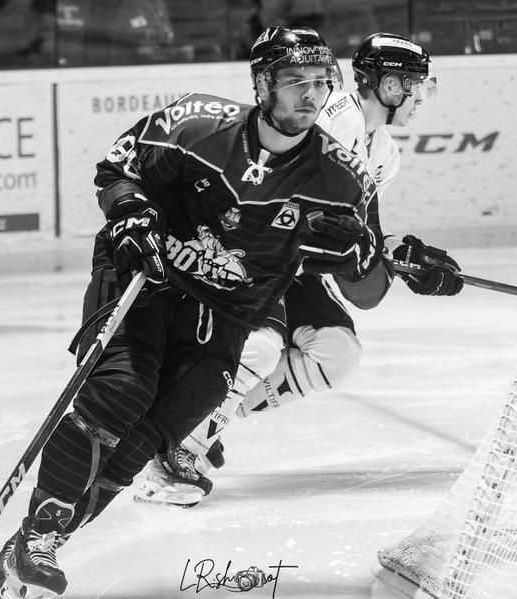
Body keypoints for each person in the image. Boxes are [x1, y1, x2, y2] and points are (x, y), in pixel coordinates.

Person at [0, 26, 387, 599]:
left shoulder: (340, 177)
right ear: (262, 84)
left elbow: (360, 274)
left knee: (145, 440)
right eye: (295, 81)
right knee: (121, 391)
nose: (310, 94)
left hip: (228, 311)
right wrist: (130, 212)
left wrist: (362, 255)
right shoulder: (199, 124)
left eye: (320, 82)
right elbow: (117, 167)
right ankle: (39, 537)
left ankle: (30, 549)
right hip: (149, 277)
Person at [133, 33, 464, 508]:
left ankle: (196, 419)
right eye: (418, 87)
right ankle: (174, 445)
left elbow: (355, 246)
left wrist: (405, 257)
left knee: (337, 353)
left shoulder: (385, 154)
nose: (422, 98)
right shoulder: (334, 118)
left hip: (296, 263)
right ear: (391, 85)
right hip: (250, 249)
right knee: (261, 346)